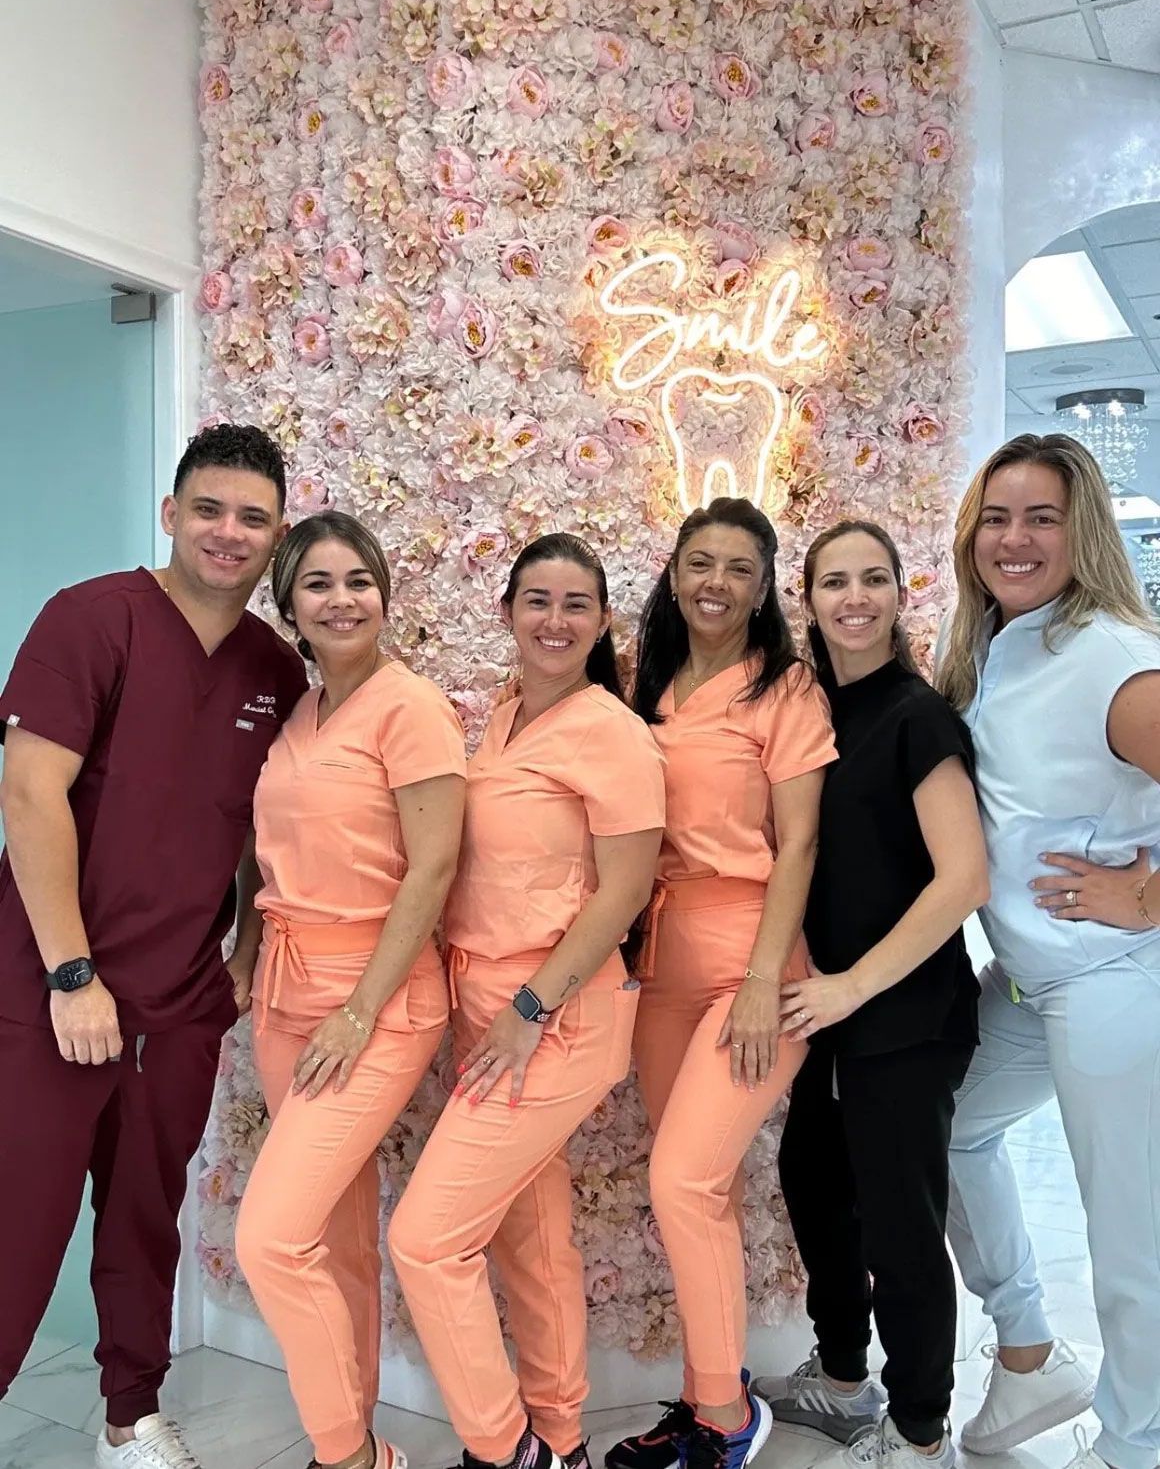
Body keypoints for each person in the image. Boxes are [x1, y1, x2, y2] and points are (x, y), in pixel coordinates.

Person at [0, 425, 307, 1469]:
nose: (229, 532)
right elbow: (30, 793)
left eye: (253, 518)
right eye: (210, 508)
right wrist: (71, 973)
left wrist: (247, 951)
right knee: (20, 1221)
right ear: (171, 513)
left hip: (178, 1002)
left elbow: (273, 828)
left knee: (144, 1217)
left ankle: (129, 1415)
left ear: (274, 540)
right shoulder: (91, 619)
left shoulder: (274, 667)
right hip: (50, 988)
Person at [388, 533, 664, 1469]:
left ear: (600, 622)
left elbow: (623, 893)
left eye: (576, 603)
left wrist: (531, 1009)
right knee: (532, 1237)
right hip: (484, 1006)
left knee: (426, 1241)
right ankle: (561, 1436)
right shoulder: (502, 718)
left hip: (554, 1015)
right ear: (507, 612)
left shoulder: (613, 731)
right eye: (537, 600)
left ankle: (508, 1452)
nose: (555, 620)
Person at [936, 434, 1160, 1469]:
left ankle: (1132, 1445)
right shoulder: (1006, 642)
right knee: (943, 1127)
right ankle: (1028, 1358)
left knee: (1128, 1247)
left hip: (1111, 983)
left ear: (1082, 532)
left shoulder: (1112, 655)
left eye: (1039, 517)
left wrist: (1144, 893)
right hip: (1026, 984)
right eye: (996, 516)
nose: (1013, 538)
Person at [234, 511, 466, 1469]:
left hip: (372, 998)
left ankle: (349, 1458)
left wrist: (361, 1008)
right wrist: (247, 951)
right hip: (286, 993)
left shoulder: (409, 706)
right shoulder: (299, 709)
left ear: (384, 592)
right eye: (319, 583)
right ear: (289, 602)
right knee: (329, 1238)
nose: (341, 599)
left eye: (358, 580)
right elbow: (264, 849)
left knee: (270, 1241)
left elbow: (434, 866)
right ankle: (358, 1430)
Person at [607, 497, 836, 1469]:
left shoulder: (784, 691)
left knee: (682, 1178)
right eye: (698, 561)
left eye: (737, 567)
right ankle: (718, 1389)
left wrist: (757, 982)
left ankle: (726, 1420)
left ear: (762, 586)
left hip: (755, 959)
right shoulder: (643, 682)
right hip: (661, 963)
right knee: (702, 1189)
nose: (714, 581)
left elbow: (798, 849)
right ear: (672, 571)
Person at [754, 520, 987, 1469]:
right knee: (815, 1190)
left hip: (902, 1016)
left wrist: (854, 986)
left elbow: (962, 879)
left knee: (899, 1224)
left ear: (900, 594)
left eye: (874, 580)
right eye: (834, 583)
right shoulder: (815, 713)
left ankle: (921, 1427)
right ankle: (844, 1379)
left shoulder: (917, 718)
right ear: (807, 600)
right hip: (829, 1015)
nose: (854, 598)